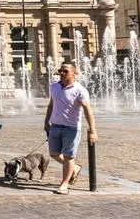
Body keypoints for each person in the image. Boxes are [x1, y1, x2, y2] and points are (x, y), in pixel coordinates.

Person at [45, 61, 97, 194]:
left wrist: (92, 131)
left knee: (68, 156)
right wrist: (46, 122)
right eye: (60, 71)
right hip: (55, 125)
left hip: (71, 128)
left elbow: (88, 111)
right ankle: (74, 169)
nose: (62, 73)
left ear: (75, 73)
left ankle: (64, 184)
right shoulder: (54, 87)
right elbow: (51, 105)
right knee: (54, 153)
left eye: (65, 71)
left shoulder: (80, 90)